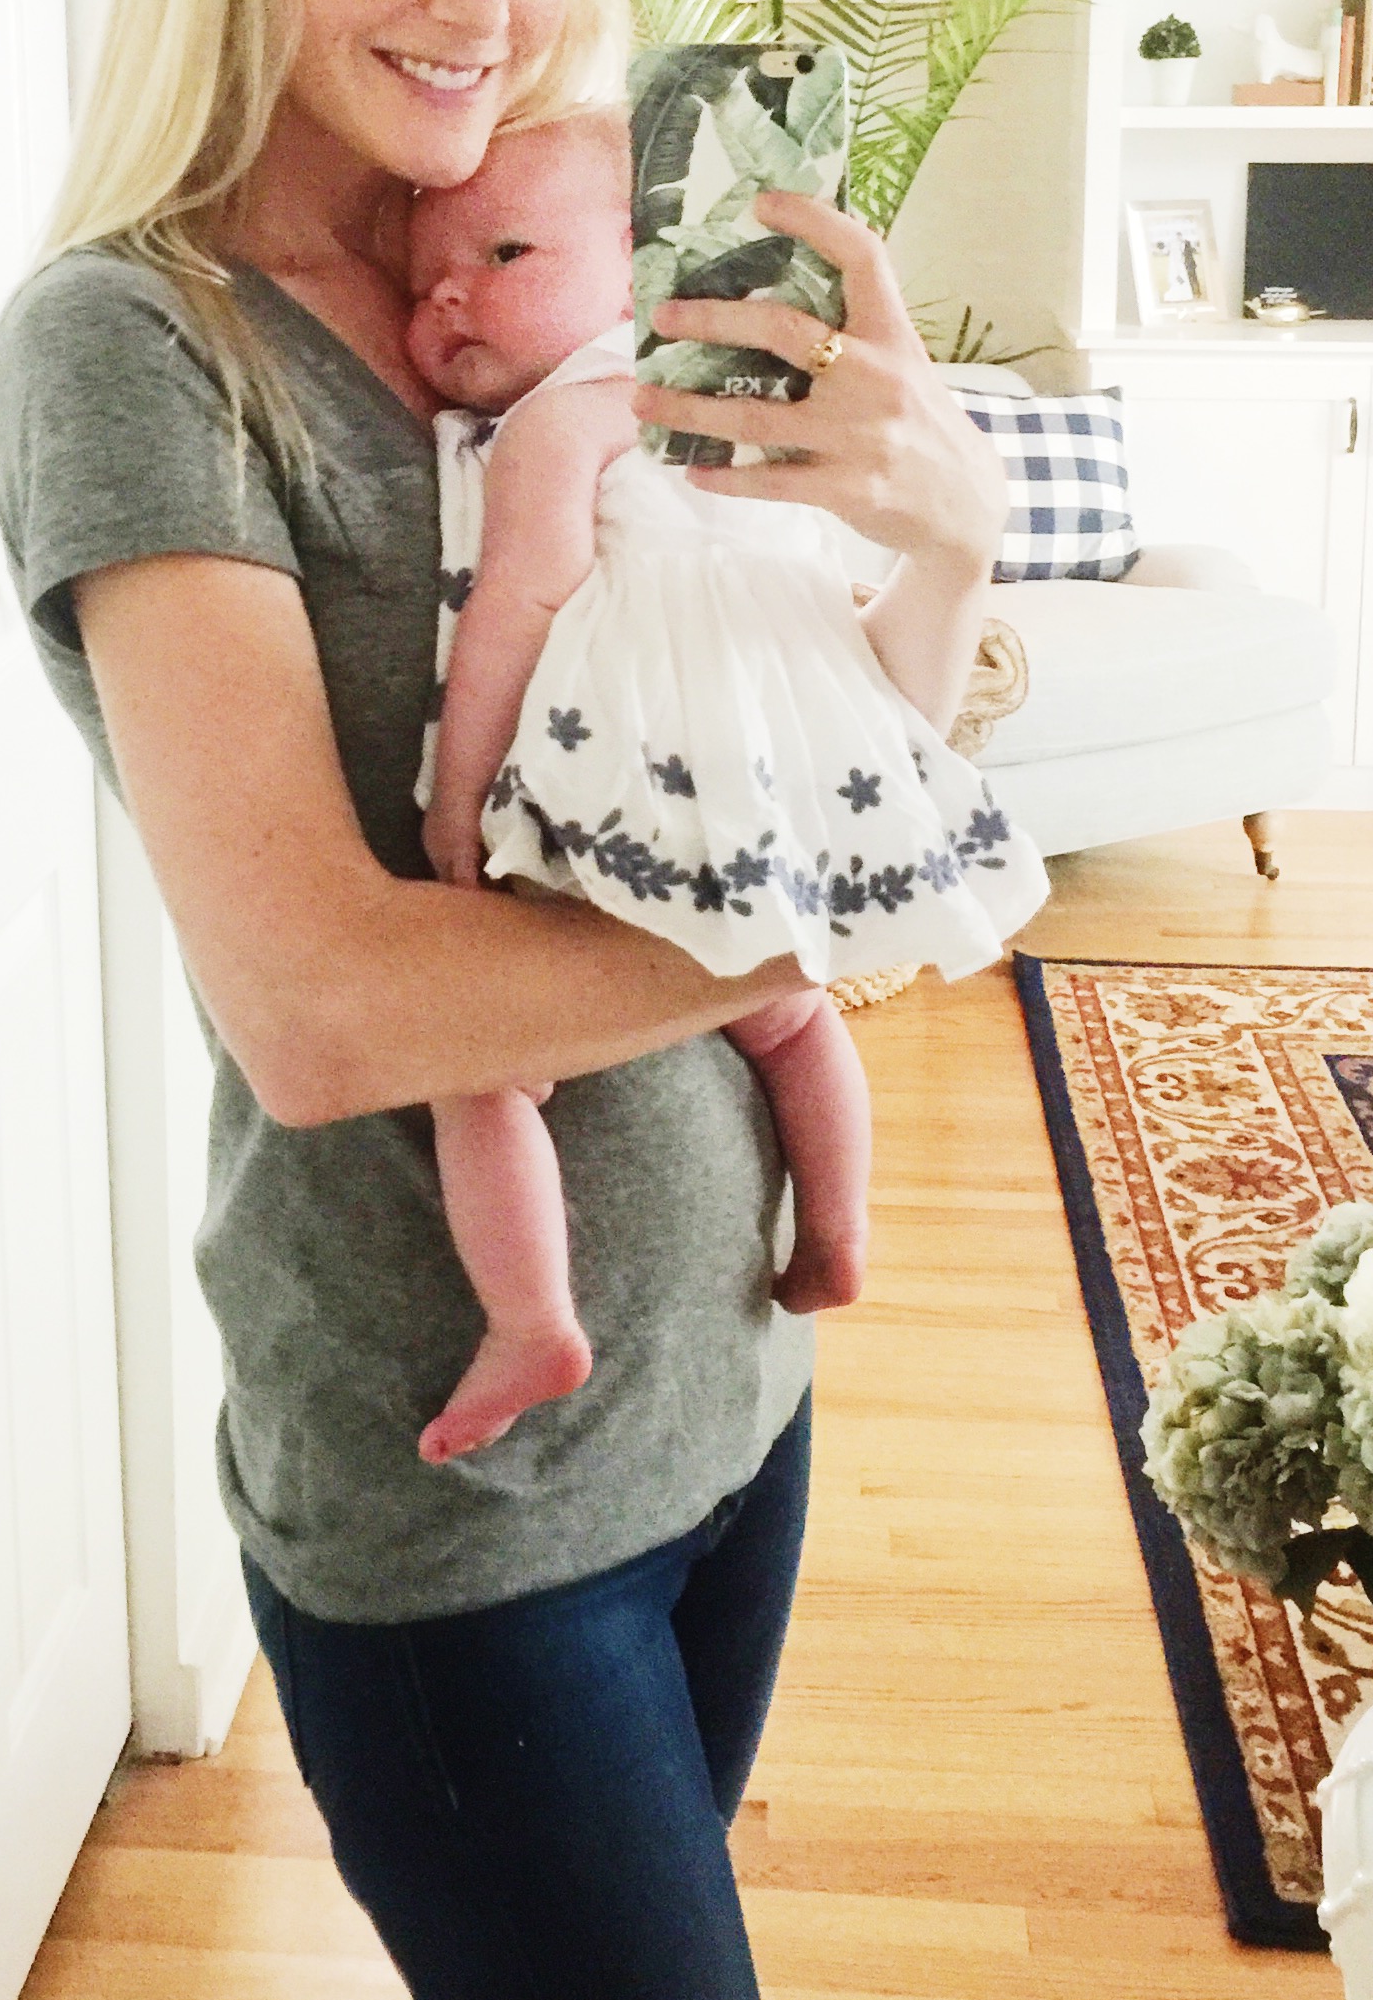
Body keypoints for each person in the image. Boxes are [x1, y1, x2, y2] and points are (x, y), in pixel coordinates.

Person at [0, 0, 1012, 2000]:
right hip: (459, 1524)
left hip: (730, 1398)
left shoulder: (598, 268)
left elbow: (848, 722)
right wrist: (814, 935)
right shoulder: (138, 351)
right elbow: (325, 1009)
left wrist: (945, 540)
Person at [404, 110, 1047, 1467]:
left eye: (503, 253)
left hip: (642, 773)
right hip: (788, 761)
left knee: (482, 1067)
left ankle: (530, 1318)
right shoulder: (772, 422)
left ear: (644, 264)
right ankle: (838, 1230)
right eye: (425, 279)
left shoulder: (562, 420)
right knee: (795, 1019)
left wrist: (457, 797)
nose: (451, 293)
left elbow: (518, 606)